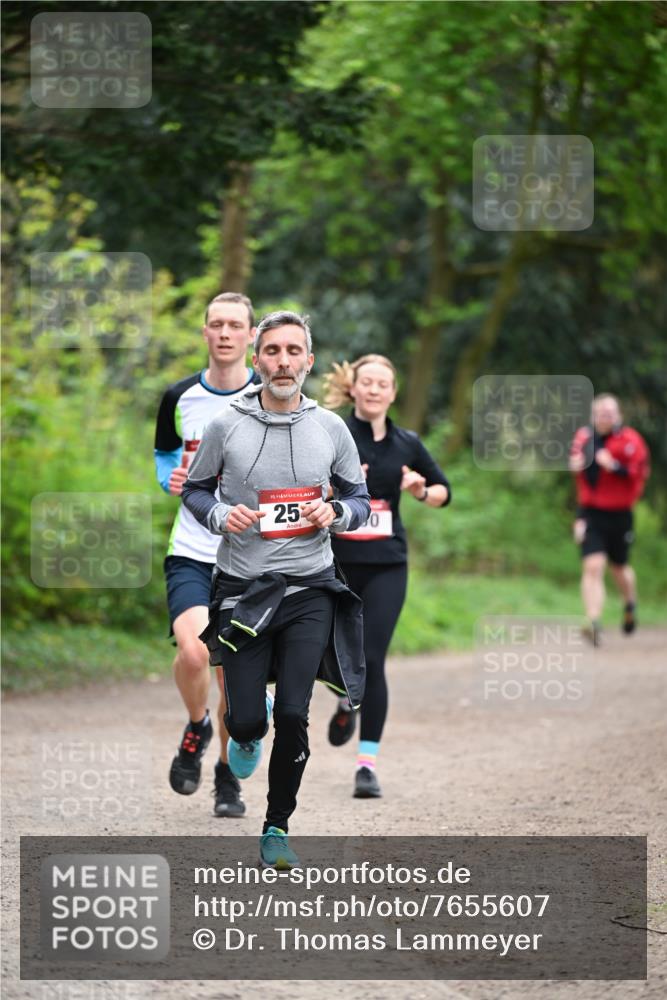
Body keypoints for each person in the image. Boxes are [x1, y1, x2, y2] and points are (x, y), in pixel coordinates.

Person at [182, 311, 370, 868]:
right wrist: (218, 515)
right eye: (273, 352)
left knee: (294, 712)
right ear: (257, 360)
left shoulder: (331, 428)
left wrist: (335, 510)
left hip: (310, 587)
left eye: (294, 352)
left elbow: (360, 501)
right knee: (247, 721)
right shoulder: (226, 424)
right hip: (244, 591)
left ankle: (276, 825)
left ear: (308, 361)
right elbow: (194, 490)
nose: (283, 362)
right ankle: (245, 726)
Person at [323, 355, 451, 799]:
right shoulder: (331, 431)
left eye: (384, 384)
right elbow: (304, 486)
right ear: (354, 389)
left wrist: (420, 491)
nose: (375, 389)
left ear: (393, 393)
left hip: (386, 564)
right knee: (333, 653)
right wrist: (337, 487)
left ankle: (366, 766)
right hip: (334, 561)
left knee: (372, 657)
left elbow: (443, 492)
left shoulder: (407, 443)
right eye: (368, 382)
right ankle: (344, 697)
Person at [154, 291, 258, 817]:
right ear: (204, 332)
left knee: (232, 677)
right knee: (194, 653)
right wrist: (168, 478)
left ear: (250, 336)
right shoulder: (179, 396)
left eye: (234, 325)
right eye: (215, 323)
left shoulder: (269, 397)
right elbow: (165, 455)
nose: (224, 333)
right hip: (193, 550)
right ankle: (196, 726)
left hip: (250, 557)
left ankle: (225, 778)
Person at [569, 393, 650, 646]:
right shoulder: (584, 438)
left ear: (619, 416)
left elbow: (640, 473)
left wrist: (614, 466)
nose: (605, 417)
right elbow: (574, 462)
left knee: (619, 568)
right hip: (591, 512)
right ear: (594, 416)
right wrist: (574, 464)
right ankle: (593, 621)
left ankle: (629, 602)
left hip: (620, 514)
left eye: (610, 413)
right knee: (593, 567)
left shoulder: (631, 440)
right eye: (600, 413)